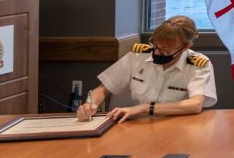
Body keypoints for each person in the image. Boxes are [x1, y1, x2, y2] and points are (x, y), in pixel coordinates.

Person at [76, 16, 217, 123]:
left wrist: (144, 108)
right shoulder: (138, 55)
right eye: (156, 46)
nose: (157, 53)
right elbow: (104, 88)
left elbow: (195, 104)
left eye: (166, 51)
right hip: (137, 126)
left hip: (175, 126)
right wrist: (91, 104)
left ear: (186, 47)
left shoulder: (198, 64)